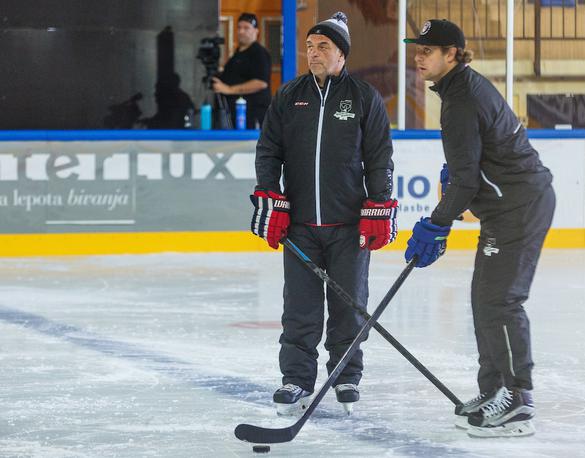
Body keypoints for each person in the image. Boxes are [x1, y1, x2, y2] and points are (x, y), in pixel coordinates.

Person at [403, 19, 555, 438]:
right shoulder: (458, 90)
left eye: (428, 50)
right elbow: (468, 167)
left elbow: (466, 182)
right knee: (484, 299)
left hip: (519, 206)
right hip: (504, 207)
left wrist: (436, 224)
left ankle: (518, 400)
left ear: (452, 54)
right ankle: (495, 391)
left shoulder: (462, 98)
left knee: (502, 301)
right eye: (417, 49)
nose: (419, 56)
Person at [250, 12, 397, 416]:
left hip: (348, 226)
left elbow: (380, 156)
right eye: (310, 47)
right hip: (299, 227)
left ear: (341, 55)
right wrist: (269, 195)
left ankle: (346, 375)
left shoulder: (363, 97)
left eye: (324, 47)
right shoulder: (288, 96)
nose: (314, 54)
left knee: (349, 305)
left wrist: (378, 203)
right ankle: (296, 378)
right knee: (300, 307)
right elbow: (269, 151)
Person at [212, 12, 271, 129]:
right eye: (239, 27)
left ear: (256, 31)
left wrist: (228, 89)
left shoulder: (259, 53)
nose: (241, 31)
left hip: (251, 117)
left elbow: (261, 83)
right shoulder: (238, 53)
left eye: (246, 28)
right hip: (234, 116)